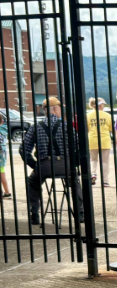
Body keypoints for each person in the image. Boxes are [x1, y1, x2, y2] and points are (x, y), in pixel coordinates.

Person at [19, 96, 83, 226]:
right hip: (66, 165)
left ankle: (34, 214)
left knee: (32, 181)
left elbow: (23, 149)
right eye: (60, 109)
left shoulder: (35, 127)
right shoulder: (67, 126)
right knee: (75, 182)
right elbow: (79, 146)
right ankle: (80, 214)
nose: (61, 112)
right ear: (55, 109)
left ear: (45, 110)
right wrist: (75, 163)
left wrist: (34, 165)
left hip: (44, 166)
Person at [86, 97, 112, 187]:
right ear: (100, 105)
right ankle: (105, 181)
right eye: (103, 104)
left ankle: (93, 174)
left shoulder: (88, 115)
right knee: (105, 161)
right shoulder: (107, 115)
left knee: (93, 159)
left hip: (92, 140)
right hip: (105, 140)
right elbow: (111, 128)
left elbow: (86, 128)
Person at [0, 112, 10, 198]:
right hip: (3, 153)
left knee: (1, 173)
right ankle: (5, 191)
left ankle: (6, 191)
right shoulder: (3, 129)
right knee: (1, 171)